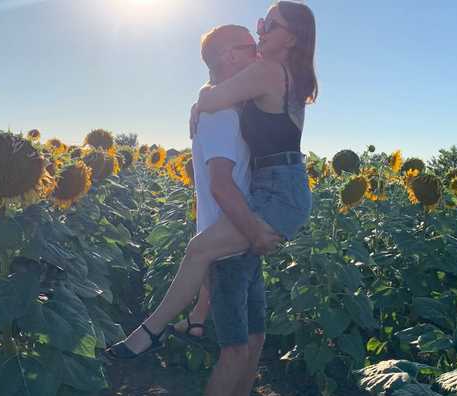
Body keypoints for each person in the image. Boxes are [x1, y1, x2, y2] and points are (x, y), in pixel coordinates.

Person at [107, 0, 318, 359]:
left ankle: (149, 333)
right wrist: (206, 100)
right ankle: (193, 319)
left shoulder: (267, 70)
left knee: (200, 250)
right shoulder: (281, 73)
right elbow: (222, 99)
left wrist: (201, 100)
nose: (260, 32)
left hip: (279, 191)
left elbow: (214, 96)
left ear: (292, 38)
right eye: (261, 23)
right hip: (279, 186)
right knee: (212, 254)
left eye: (269, 26)